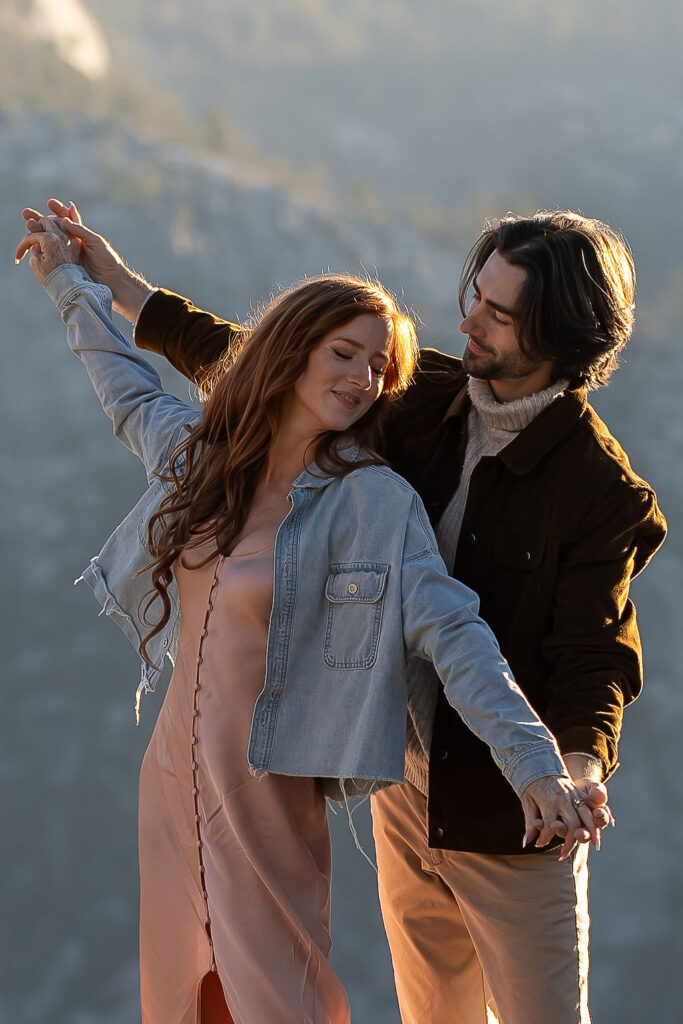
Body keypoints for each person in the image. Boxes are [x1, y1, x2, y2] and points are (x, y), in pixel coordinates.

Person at [26, 201, 666, 1024]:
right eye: (477, 292)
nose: (467, 318)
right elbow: (257, 367)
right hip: (398, 784)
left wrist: (560, 773)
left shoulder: (594, 491)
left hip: (513, 807)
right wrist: (107, 286)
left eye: (498, 315)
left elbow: (570, 651)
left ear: (556, 340)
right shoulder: (414, 393)